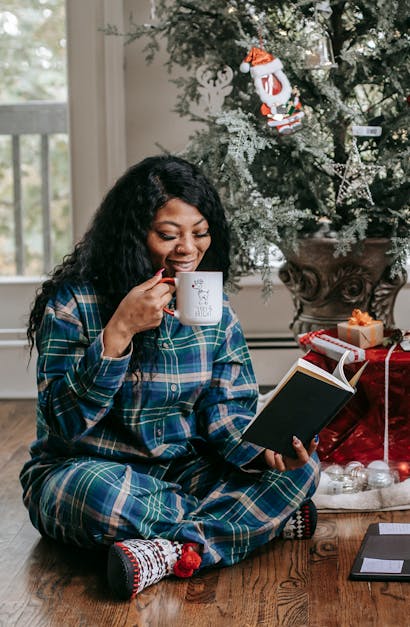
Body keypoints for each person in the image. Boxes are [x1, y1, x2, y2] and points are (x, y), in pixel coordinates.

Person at [20, 155, 320, 600]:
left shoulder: (213, 310)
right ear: (132, 235)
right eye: (168, 234)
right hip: (87, 470)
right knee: (94, 494)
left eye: (199, 233)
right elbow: (62, 427)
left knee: (303, 472)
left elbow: (228, 420)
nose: (188, 249)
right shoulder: (73, 304)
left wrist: (266, 453)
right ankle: (246, 527)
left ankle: (164, 552)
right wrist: (119, 330)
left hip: (182, 472)